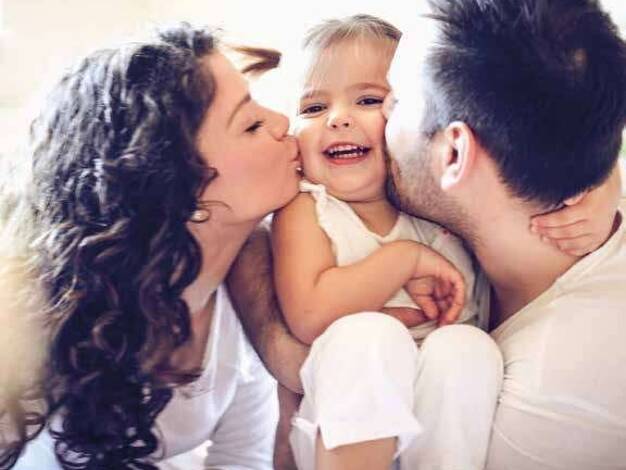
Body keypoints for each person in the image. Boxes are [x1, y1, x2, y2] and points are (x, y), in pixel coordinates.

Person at [227, 3, 625, 470]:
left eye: (390, 101)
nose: (342, 119)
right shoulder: (540, 188)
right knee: (370, 337)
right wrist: (602, 175)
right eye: (314, 108)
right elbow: (244, 232)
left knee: (466, 351)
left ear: (454, 153)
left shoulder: (556, 411)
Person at [0, 23, 302, 469]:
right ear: (181, 185)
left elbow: (241, 459)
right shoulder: (37, 309)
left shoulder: (248, 297)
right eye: (251, 124)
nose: (282, 122)